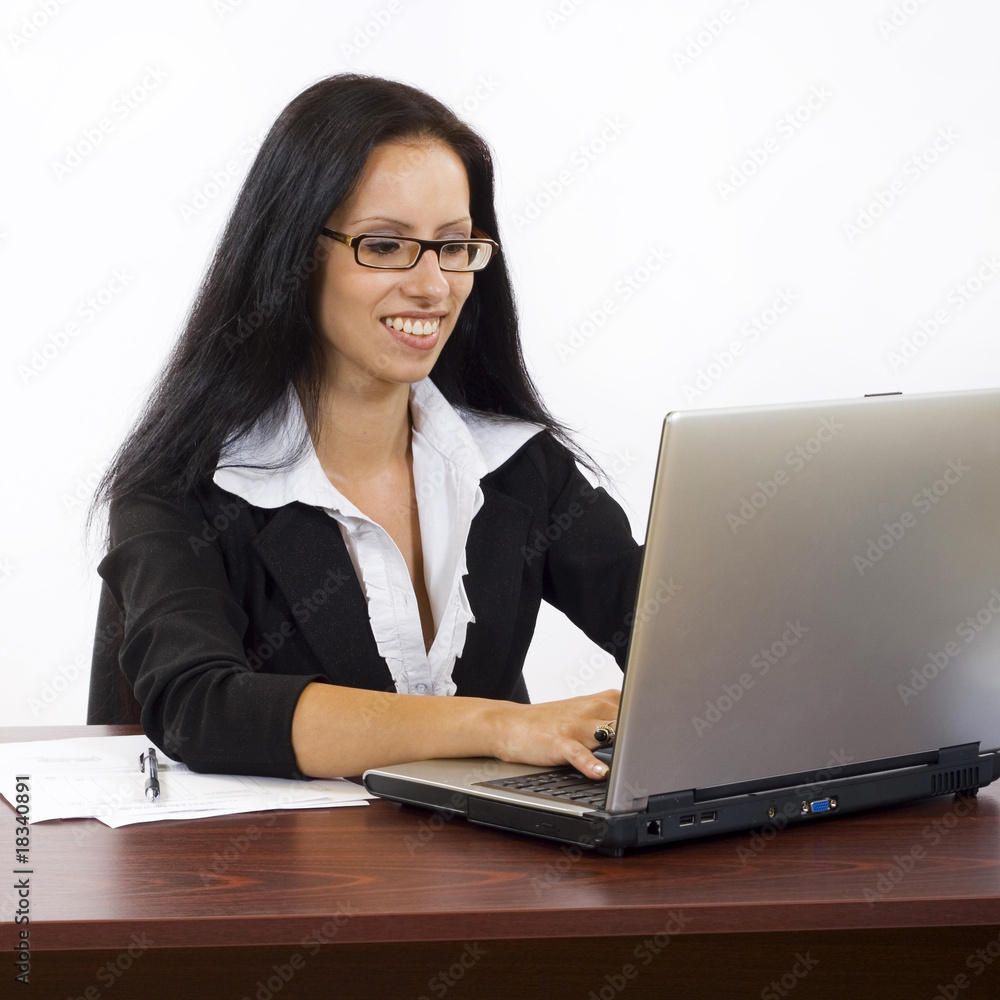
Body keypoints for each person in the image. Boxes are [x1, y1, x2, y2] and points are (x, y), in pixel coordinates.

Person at [89, 73, 642, 782]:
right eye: (384, 246)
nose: (433, 286)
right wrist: (497, 725)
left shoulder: (515, 466)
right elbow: (201, 706)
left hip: (486, 854)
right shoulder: (184, 491)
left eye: (453, 246)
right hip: (279, 856)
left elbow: (665, 630)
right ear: (294, 256)